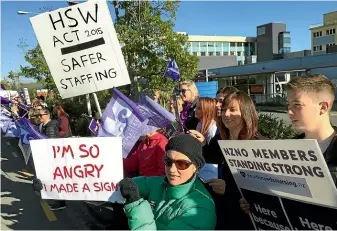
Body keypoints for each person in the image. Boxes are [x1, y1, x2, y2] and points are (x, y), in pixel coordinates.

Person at [240, 74, 337, 214]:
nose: (289, 112)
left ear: (323, 107)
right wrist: (256, 204)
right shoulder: (288, 150)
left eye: (297, 105)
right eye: (288, 105)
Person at [190, 90, 264, 230]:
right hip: (217, 211)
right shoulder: (218, 140)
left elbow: (264, 188)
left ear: (246, 112)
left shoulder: (258, 145)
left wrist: (229, 189)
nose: (226, 114)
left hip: (244, 219)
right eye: (224, 110)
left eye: (232, 110)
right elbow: (206, 165)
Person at [118, 134, 216, 230]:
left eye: (181, 164)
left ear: (195, 166)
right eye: (168, 161)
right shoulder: (160, 183)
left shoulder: (200, 209)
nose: (172, 169)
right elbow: (125, 184)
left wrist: (136, 204)